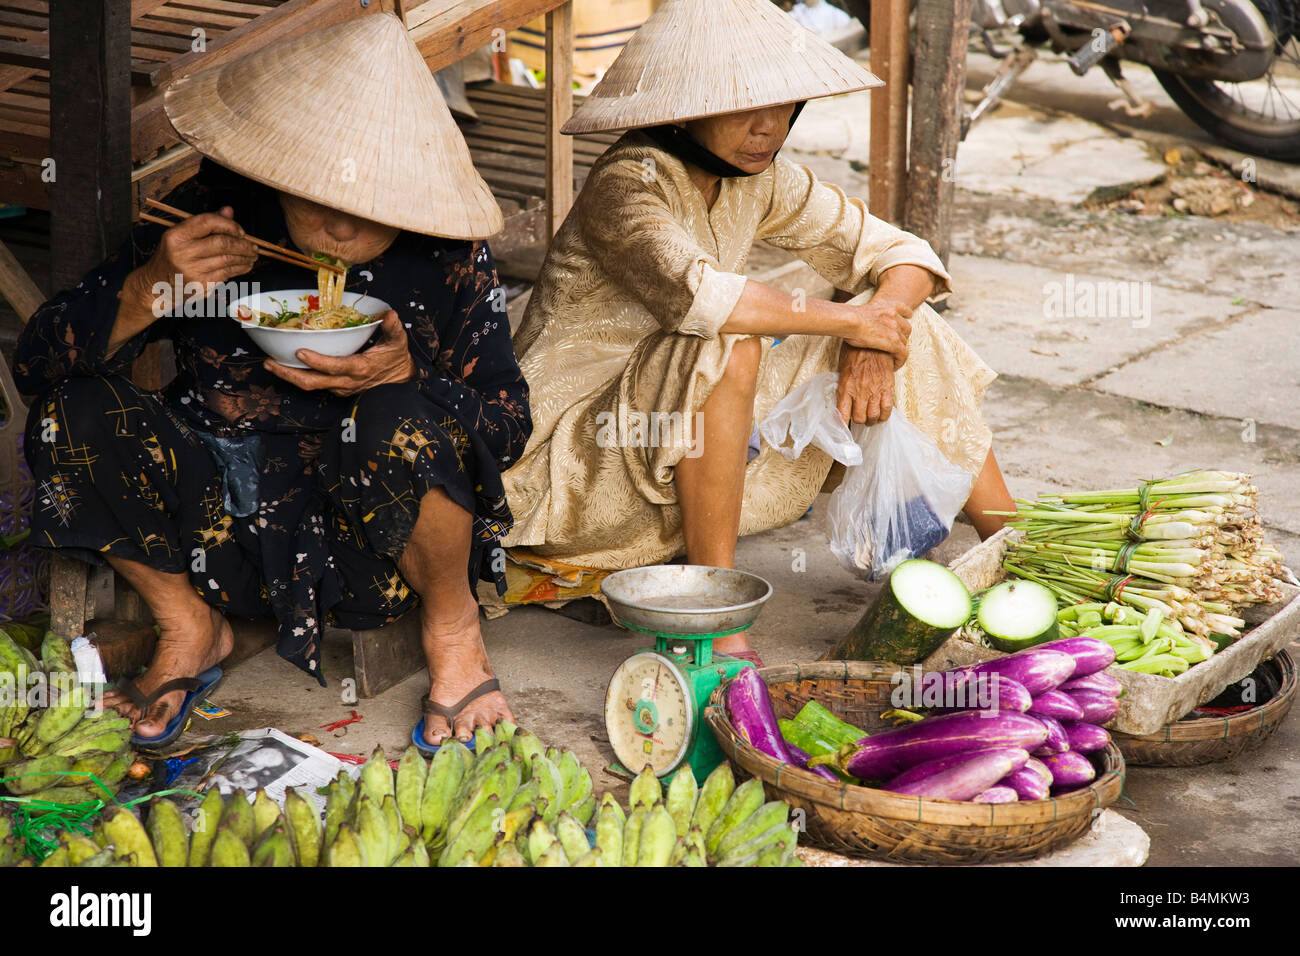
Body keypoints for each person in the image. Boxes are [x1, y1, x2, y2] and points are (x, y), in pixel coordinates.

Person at [13, 15, 528, 751]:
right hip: (205, 541)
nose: (342, 227)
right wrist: (150, 286)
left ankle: (454, 633)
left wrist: (410, 375)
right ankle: (189, 626)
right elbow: (35, 369)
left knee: (401, 415)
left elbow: (507, 428)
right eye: (315, 192)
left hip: (367, 561)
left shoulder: (447, 254)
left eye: (370, 207)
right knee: (73, 410)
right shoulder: (219, 214)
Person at [501, 0, 1013, 663]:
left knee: (907, 324)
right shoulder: (627, 184)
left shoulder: (762, 181)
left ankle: (1015, 546)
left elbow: (904, 253)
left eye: (782, 106)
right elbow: (706, 298)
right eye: (743, 107)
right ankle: (718, 616)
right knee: (727, 344)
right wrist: (858, 320)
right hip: (576, 465)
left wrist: (871, 339)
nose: (768, 127)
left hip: (680, 453)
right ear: (684, 109)